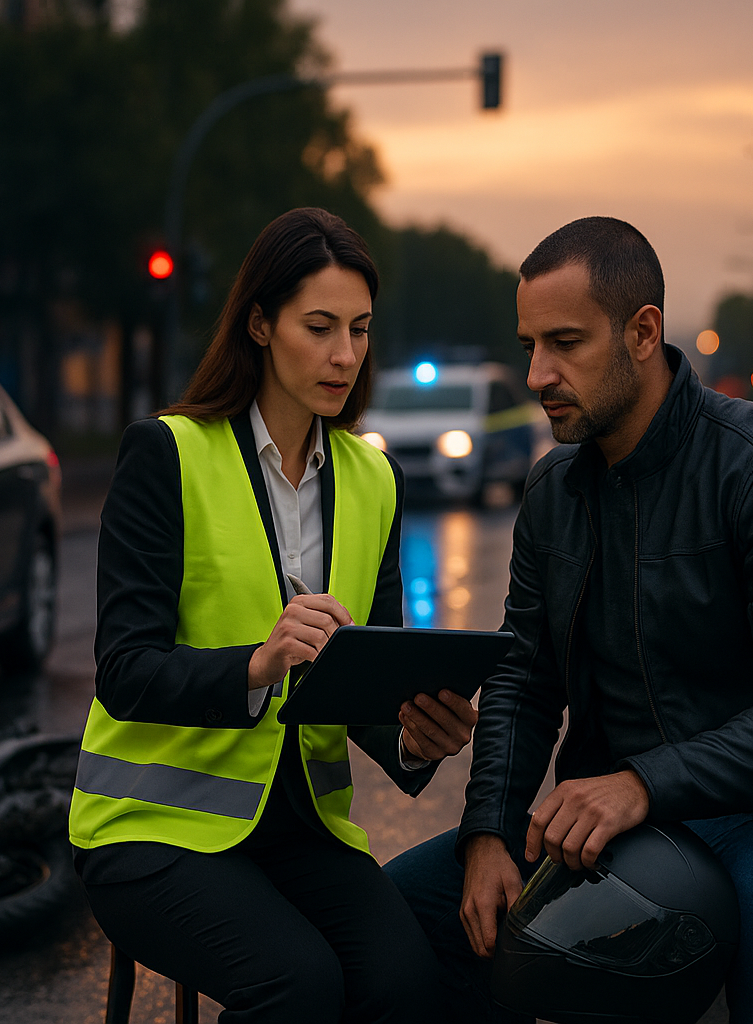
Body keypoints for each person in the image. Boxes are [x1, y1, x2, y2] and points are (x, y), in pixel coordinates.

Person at [385, 217, 753, 1024]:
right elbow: (524, 679)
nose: (540, 372)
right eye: (529, 345)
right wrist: (489, 834)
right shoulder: (551, 493)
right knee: (407, 910)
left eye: (566, 342)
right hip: (615, 810)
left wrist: (645, 782)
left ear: (643, 331)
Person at [70, 207, 477, 1024]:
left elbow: (369, 680)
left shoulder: (375, 479)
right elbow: (124, 671)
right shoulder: (168, 453)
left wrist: (415, 733)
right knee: (298, 985)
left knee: (406, 986)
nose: (344, 355)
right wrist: (256, 665)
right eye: (319, 326)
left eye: (359, 330)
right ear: (259, 322)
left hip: (299, 831)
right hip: (149, 830)